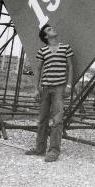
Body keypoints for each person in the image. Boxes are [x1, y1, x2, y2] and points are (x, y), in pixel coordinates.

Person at [25, 24, 73, 162]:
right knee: (42, 119)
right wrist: (36, 89)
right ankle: (40, 149)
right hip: (45, 88)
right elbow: (38, 70)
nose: (53, 29)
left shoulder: (65, 48)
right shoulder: (43, 51)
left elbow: (70, 67)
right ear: (46, 36)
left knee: (57, 120)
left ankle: (53, 151)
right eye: (49, 29)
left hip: (59, 88)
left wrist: (69, 85)